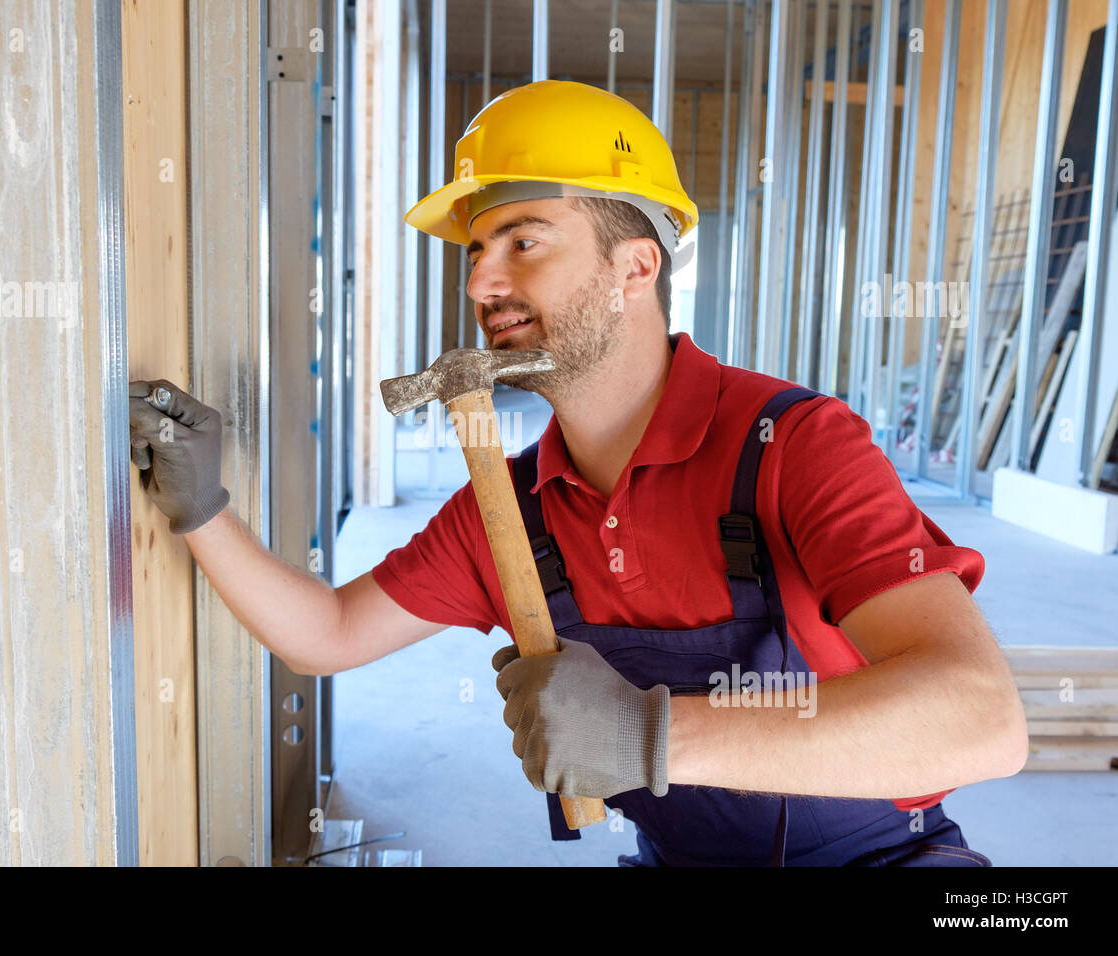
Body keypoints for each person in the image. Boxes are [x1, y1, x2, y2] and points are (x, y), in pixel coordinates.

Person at [129, 79, 1027, 866]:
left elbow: (981, 720)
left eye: (524, 242)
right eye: (476, 251)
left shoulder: (794, 445)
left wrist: (647, 736)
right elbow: (325, 635)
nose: (482, 282)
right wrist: (202, 506)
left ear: (635, 267)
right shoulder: (511, 506)